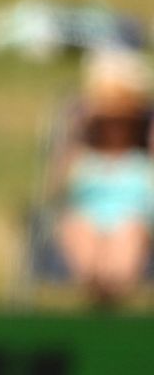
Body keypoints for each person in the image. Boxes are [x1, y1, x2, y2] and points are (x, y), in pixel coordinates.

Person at [51, 50, 154, 308]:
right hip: (86, 221)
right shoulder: (81, 156)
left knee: (128, 231)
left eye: (122, 120)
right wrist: (76, 131)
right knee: (78, 226)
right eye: (109, 120)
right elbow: (55, 191)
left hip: (133, 222)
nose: (115, 127)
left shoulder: (143, 159)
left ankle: (110, 300)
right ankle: (98, 303)